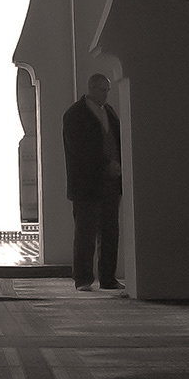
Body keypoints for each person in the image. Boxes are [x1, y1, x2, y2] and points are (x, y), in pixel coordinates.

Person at [62, 73, 123, 292]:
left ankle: (108, 278)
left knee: (110, 232)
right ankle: (83, 279)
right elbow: (80, 150)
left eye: (107, 90)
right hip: (86, 185)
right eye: (102, 90)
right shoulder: (75, 114)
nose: (105, 94)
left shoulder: (110, 112)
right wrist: (105, 165)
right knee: (85, 233)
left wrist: (118, 166)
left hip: (111, 184)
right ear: (91, 89)